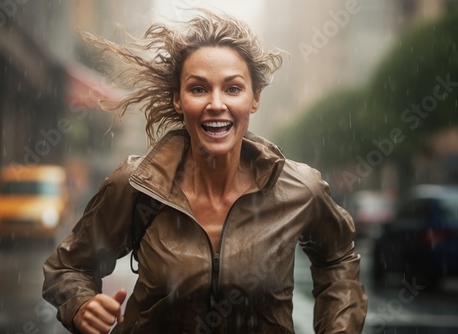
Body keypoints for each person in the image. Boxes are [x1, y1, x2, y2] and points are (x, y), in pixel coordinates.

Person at [42, 9, 368, 334]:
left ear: (254, 98)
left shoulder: (299, 188)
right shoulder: (136, 184)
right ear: (178, 100)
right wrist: (80, 304)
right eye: (198, 89)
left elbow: (338, 260)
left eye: (232, 88)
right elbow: (68, 267)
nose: (216, 103)